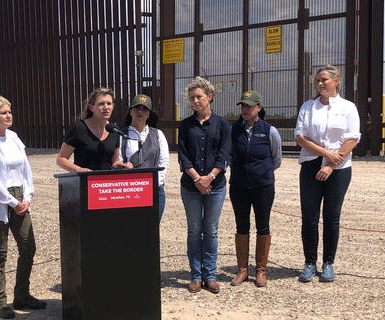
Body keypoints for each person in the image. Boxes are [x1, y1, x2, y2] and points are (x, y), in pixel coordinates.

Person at [0, 96, 47, 319]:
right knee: (0, 252)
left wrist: (28, 196)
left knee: (28, 247)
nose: (9, 115)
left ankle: (22, 294)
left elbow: (26, 169)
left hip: (20, 197)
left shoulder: (14, 138)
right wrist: (13, 202)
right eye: (4, 112)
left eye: (10, 111)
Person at [294, 65, 360, 283]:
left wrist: (332, 163)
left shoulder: (348, 107)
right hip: (311, 165)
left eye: (324, 80)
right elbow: (300, 137)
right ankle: (309, 263)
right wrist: (325, 155)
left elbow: (352, 138)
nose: (320, 84)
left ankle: (328, 263)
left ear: (336, 80)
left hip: (339, 169)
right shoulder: (308, 107)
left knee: (332, 217)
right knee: (309, 218)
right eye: (317, 81)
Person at [177, 76, 231, 294]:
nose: (195, 101)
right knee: (194, 231)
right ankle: (196, 276)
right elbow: (183, 156)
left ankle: (210, 275)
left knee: (211, 231)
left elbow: (223, 154)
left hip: (215, 186)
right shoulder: (186, 125)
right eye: (192, 98)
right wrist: (197, 179)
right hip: (191, 188)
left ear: (210, 97)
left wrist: (209, 177)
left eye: (199, 96)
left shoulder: (222, 124)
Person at [228, 90, 282, 287]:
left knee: (263, 225)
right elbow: (230, 156)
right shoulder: (233, 130)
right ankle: (242, 270)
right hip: (239, 186)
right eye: (243, 105)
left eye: (249, 105)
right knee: (241, 225)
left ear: (259, 107)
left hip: (263, 187)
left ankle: (261, 270)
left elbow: (276, 158)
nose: (245, 109)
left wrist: (262, 172)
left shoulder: (269, 130)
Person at [115, 94, 170, 221]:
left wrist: (154, 183)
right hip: (130, 190)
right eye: (137, 108)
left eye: (144, 109)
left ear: (149, 114)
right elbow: (118, 159)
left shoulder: (158, 134)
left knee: (152, 231)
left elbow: (164, 162)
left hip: (155, 190)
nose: (140, 111)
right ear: (130, 111)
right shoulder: (121, 135)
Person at [56, 87, 128, 172]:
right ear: (91, 107)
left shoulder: (114, 130)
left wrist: (122, 165)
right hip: (84, 181)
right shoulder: (79, 128)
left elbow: (114, 161)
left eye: (109, 103)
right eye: (101, 104)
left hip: (106, 183)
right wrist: (78, 169)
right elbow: (61, 159)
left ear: (113, 106)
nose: (106, 107)